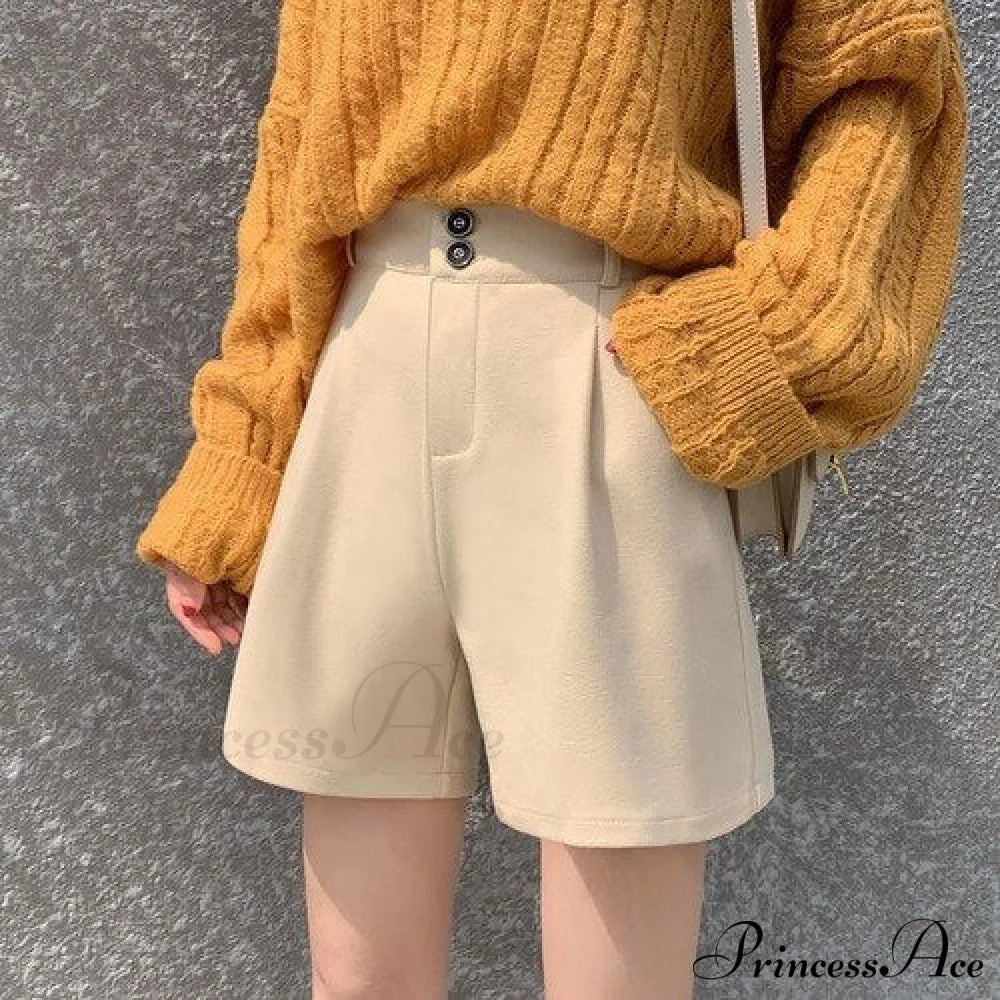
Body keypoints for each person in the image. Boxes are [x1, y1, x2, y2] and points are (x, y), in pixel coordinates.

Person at [134, 1, 968, 996]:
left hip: (604, 374)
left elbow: (885, 67)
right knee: (358, 983)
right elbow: (296, 157)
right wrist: (243, 458)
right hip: (367, 376)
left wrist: (771, 333)